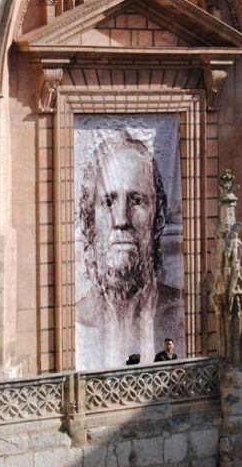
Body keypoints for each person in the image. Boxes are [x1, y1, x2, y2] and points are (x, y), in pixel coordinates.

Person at [75, 134, 182, 369]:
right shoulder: (76, 321)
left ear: (159, 215)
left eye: (136, 200)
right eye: (108, 201)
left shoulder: (179, 312)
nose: (121, 219)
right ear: (88, 220)